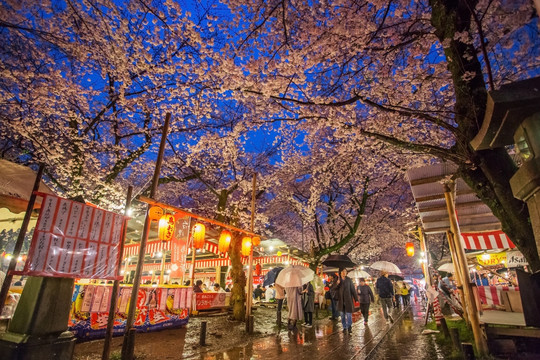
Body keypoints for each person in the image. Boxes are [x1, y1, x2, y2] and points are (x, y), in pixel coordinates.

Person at [335, 268, 358, 334]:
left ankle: (349, 326)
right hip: (341, 300)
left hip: (348, 300)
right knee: (342, 315)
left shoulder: (349, 280)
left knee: (349, 314)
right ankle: (344, 327)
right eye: (343, 271)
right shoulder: (338, 280)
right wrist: (337, 284)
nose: (344, 273)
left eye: (345, 271)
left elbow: (353, 290)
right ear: (340, 272)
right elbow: (334, 289)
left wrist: (356, 299)